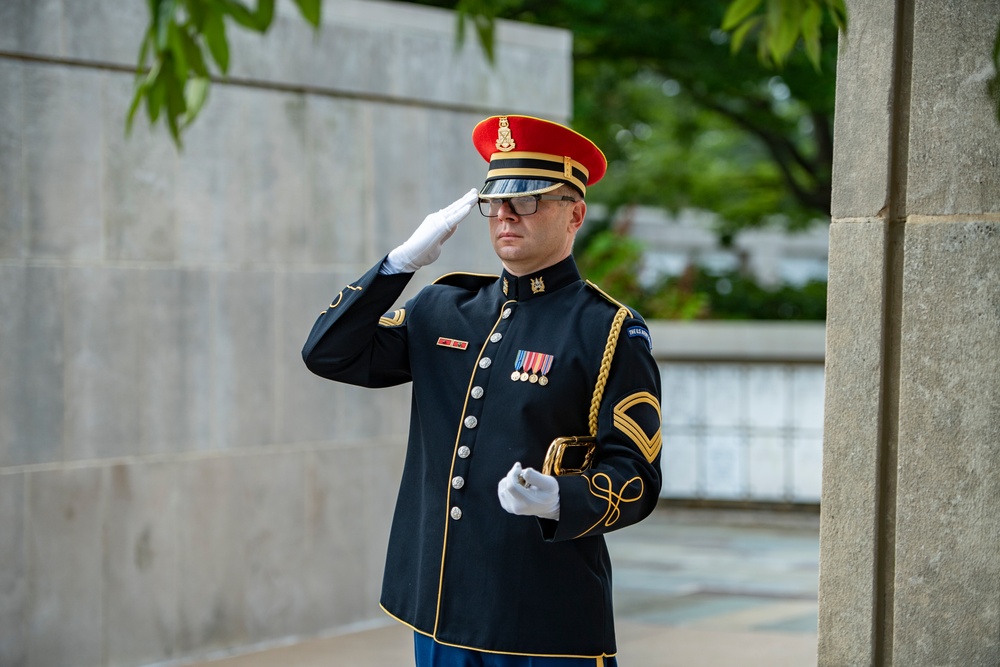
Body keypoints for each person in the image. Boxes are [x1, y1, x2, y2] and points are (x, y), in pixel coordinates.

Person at [302, 115, 663, 667]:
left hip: (544, 617)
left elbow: (637, 475)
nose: (505, 215)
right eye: (494, 202)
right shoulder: (444, 306)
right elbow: (329, 353)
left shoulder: (606, 329)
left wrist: (562, 497)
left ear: (576, 214)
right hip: (439, 606)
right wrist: (398, 266)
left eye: (527, 200)